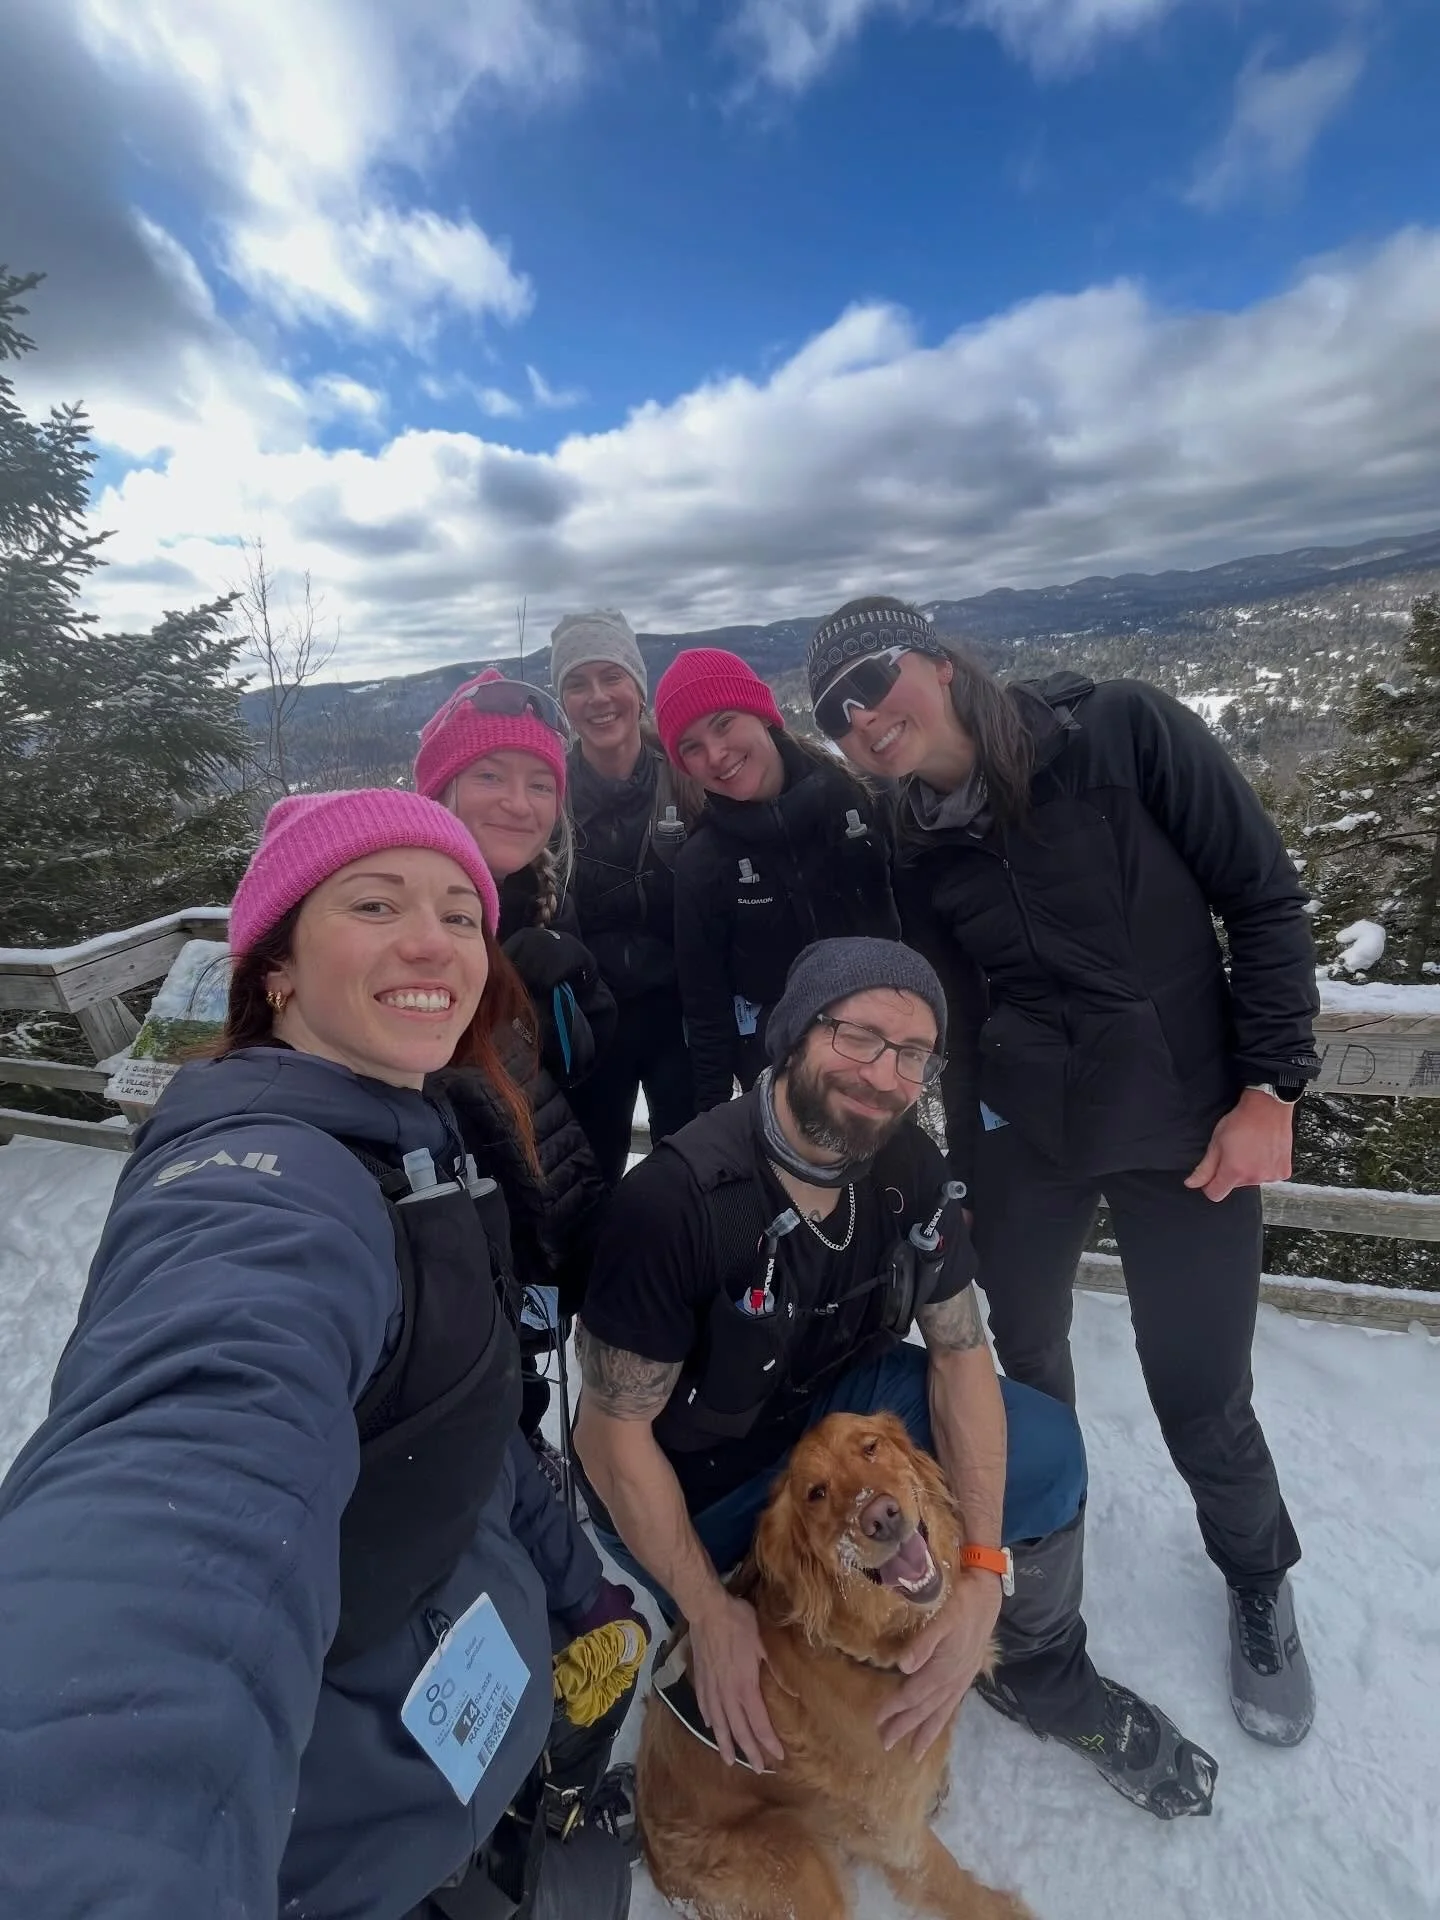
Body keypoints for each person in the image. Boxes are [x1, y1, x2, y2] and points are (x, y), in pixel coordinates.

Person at [0, 789, 640, 1919]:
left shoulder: (409, 1141)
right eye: (375, 902)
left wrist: (577, 1589)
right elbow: (178, 1508)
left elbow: (466, 1415)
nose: (430, 939)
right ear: (277, 968)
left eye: (457, 912)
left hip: (443, 1783)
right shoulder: (272, 1190)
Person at [807, 594, 1321, 1748]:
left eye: (875, 679)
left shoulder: (1121, 734)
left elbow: (1263, 897)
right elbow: (961, 1012)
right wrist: (975, 1163)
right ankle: (1046, 1532)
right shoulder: (909, 838)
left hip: (1187, 1120)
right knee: (1020, 1357)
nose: (863, 717)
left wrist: (1268, 1088)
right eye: (837, 715)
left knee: (1200, 1382)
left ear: (937, 662)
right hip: (1031, 1135)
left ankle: (1255, 1574)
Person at [574, 936, 1217, 1821]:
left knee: (1045, 1453)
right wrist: (709, 1610)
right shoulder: (678, 1206)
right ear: (795, 1035)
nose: (884, 1074)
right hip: (701, 1476)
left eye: (913, 1054)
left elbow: (959, 1352)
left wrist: (986, 1570)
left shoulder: (906, 1169)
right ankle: (700, 1654)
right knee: (776, 1703)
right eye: (858, 1036)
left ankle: (1042, 1673)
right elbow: (608, 1439)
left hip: (838, 1408)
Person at [415, 669, 612, 1315]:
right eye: (490, 776)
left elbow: (580, 1069)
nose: (519, 804)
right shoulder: (404, 913)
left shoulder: (543, 902)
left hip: (531, 1216)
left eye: (540, 785)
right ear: (442, 788)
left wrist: (575, 984)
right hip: (437, 1228)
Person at [654, 647, 900, 1112]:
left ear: (763, 714)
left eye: (724, 723)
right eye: (691, 747)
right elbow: (708, 1014)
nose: (715, 754)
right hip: (781, 1083)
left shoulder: (860, 799)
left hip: (881, 1059)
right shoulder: (702, 865)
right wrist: (710, 1129)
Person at [549, 610, 698, 1185]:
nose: (598, 697)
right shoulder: (549, 794)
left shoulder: (686, 779)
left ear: (638, 687)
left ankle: (687, 1268)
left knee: (688, 1165)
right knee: (592, 1170)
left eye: (611, 677)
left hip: (682, 1016)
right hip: (591, 1021)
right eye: (577, 683)